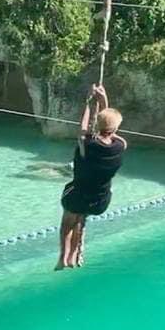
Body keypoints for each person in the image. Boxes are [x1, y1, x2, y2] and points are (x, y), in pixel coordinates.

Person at [56, 83, 127, 270]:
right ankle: (74, 255)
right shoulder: (120, 146)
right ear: (115, 129)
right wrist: (103, 100)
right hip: (100, 201)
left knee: (68, 222)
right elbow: (109, 130)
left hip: (77, 196)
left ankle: (63, 258)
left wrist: (89, 102)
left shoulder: (87, 145)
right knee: (81, 219)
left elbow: (83, 129)